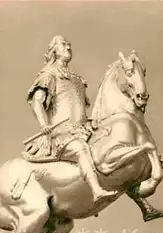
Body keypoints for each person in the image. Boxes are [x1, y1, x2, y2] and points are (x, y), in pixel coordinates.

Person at [25, 35, 117, 203]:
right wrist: (44, 124)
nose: (68, 46)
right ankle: (96, 191)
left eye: (69, 44)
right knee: (80, 148)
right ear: (54, 51)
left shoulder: (76, 79)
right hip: (62, 135)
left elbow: (79, 108)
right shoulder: (49, 74)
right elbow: (36, 101)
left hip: (83, 130)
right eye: (63, 44)